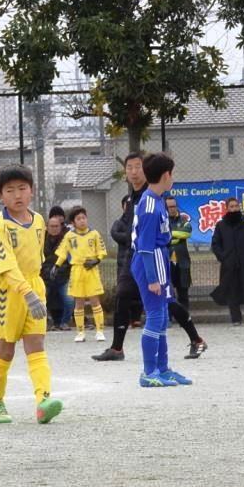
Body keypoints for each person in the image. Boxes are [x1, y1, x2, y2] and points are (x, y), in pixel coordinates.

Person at [93, 152, 207, 362]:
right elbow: (130, 230)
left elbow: (142, 234)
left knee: (164, 303)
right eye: (130, 168)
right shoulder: (134, 199)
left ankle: (190, 342)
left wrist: (125, 237)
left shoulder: (153, 198)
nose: (135, 172)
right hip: (137, 257)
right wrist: (122, 235)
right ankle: (121, 350)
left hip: (149, 256)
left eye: (139, 167)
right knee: (125, 295)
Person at [0, 165, 62, 425]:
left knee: (36, 345)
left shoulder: (39, 220)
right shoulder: (0, 226)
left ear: (32, 191)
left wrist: (35, 289)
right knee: (5, 351)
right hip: (9, 291)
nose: (17, 195)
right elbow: (6, 266)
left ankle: (43, 401)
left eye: (22, 188)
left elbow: (36, 258)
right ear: (0, 195)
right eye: (10, 190)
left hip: (33, 286)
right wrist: (27, 293)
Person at [131, 153, 192, 388]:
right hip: (150, 261)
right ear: (166, 175)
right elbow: (145, 247)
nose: (173, 177)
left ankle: (163, 369)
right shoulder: (148, 204)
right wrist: (152, 278)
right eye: (172, 173)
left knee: (163, 316)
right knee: (155, 315)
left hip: (160, 258)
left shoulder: (158, 199)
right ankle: (148, 372)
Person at [51, 207, 107, 341]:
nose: (82, 221)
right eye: (78, 219)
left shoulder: (94, 234)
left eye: (84, 218)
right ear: (73, 222)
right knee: (79, 302)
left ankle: (100, 331)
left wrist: (97, 260)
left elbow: (101, 251)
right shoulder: (70, 236)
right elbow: (63, 252)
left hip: (91, 270)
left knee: (95, 300)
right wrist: (56, 265)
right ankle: (80, 332)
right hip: (76, 270)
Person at [210, 197, 244, 324]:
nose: (234, 209)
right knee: (232, 291)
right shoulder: (221, 225)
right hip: (229, 265)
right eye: (231, 206)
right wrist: (223, 257)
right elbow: (215, 244)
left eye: (236, 206)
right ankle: (236, 319)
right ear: (226, 208)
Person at [41, 206, 73, 330]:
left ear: (61, 227)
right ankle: (45, 323)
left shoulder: (67, 239)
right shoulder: (41, 240)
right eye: (51, 226)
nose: (54, 229)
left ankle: (64, 322)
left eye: (57, 226)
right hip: (44, 277)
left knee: (69, 300)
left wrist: (60, 269)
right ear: (47, 227)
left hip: (63, 276)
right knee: (40, 299)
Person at [165, 196, 193, 311]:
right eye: (169, 207)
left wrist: (171, 235)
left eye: (174, 206)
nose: (172, 209)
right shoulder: (162, 221)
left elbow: (187, 233)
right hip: (167, 261)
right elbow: (162, 237)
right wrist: (176, 236)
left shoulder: (184, 220)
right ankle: (169, 318)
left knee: (183, 292)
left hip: (182, 262)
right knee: (168, 292)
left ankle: (185, 317)